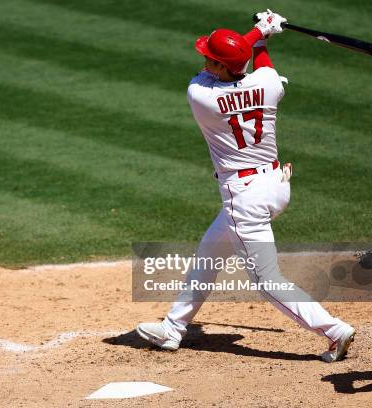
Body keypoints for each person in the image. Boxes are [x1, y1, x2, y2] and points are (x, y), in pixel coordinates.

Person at [136, 9, 355, 362]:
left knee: (267, 279)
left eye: (211, 59)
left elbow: (239, 58)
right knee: (209, 251)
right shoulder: (267, 86)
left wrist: (257, 32)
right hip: (276, 184)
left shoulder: (202, 96)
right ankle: (173, 329)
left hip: (245, 197)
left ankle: (333, 331)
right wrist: (265, 38)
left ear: (223, 68)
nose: (205, 61)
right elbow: (263, 67)